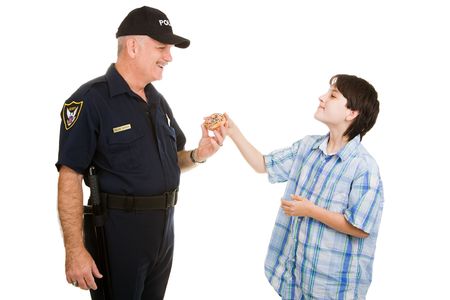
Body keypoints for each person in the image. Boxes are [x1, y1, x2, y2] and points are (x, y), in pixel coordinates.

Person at [56, 6, 224, 300]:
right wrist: (75, 250)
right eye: (162, 47)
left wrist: (199, 154)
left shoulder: (157, 101)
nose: (169, 57)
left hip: (163, 234)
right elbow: (70, 175)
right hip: (119, 235)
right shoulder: (90, 100)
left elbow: (173, 159)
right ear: (133, 47)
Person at [224, 74, 383, 299]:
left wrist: (310, 211)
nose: (322, 98)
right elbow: (263, 164)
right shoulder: (308, 147)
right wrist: (232, 131)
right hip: (296, 279)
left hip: (333, 288)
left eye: (333, 95)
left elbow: (361, 228)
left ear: (352, 113)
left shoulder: (364, 167)